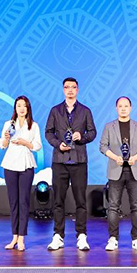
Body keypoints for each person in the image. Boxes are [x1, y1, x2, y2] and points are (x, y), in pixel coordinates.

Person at [45, 77, 96, 251]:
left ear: (78, 90)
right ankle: (58, 236)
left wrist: (82, 137)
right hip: (60, 160)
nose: (70, 90)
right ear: (63, 90)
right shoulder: (55, 110)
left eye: (73, 87)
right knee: (58, 200)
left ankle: (81, 236)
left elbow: (92, 132)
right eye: (67, 87)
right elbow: (48, 132)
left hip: (79, 161)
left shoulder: (85, 111)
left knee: (80, 200)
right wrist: (58, 144)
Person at [99, 96, 137, 251]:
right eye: (120, 106)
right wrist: (115, 157)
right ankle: (113, 238)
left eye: (126, 106)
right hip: (116, 170)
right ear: (116, 108)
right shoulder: (109, 126)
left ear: (130, 108)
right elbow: (103, 146)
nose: (123, 109)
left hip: (134, 171)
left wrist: (135, 157)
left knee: (136, 206)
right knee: (113, 206)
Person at [0, 95, 42, 251]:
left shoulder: (33, 126)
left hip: (26, 165)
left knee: (24, 201)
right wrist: (6, 138)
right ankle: (14, 237)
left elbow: (37, 146)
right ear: (15, 108)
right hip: (10, 164)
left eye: (24, 106)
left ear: (28, 108)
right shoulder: (9, 124)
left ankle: (22, 238)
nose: (21, 109)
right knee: (13, 202)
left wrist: (24, 142)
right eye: (19, 106)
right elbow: (2, 145)